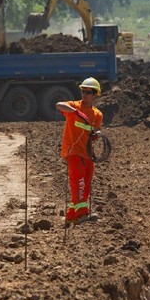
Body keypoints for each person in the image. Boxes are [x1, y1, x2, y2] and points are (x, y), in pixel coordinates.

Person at [56, 77, 103, 226]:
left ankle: (72, 215)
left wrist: (95, 134)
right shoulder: (73, 106)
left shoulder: (97, 115)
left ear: (95, 95)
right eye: (83, 91)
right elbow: (59, 105)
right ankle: (81, 214)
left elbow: (96, 132)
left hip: (87, 154)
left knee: (86, 183)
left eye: (88, 92)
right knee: (79, 183)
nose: (85, 94)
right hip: (73, 152)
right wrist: (76, 112)